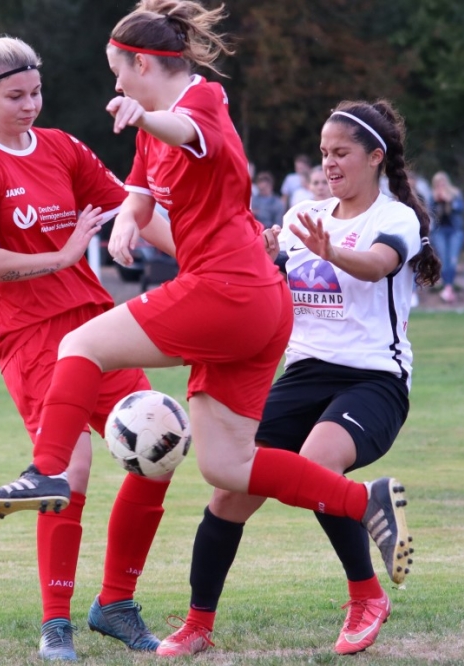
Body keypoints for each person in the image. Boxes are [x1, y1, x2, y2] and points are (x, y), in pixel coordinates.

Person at [0, 2, 414, 647]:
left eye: (120, 73)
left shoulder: (200, 102)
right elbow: (139, 194)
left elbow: (186, 132)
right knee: (227, 466)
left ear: (144, 65)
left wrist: (144, 116)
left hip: (227, 290)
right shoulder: (149, 127)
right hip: (254, 303)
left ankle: (45, 472)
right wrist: (127, 220)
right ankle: (362, 502)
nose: (116, 85)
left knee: (81, 344)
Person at [155, 99, 439, 657]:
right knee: (229, 493)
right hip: (303, 373)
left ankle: (367, 597)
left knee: (316, 466)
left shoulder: (394, 218)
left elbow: (378, 265)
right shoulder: (301, 216)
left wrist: (330, 250)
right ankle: (197, 625)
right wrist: (260, 257)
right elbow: (259, 283)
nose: (329, 163)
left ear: (375, 158)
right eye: (324, 153)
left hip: (374, 380)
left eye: (342, 153)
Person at [0, 34, 176, 661]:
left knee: (160, 447)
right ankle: (56, 624)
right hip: (30, 337)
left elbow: (134, 208)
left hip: (96, 329)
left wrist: (210, 251)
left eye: (36, 92)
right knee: (66, 475)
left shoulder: (63, 147)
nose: (30, 106)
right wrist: (64, 254)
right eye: (15, 96)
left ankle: (116, 604)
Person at [429, 171, 464, 304]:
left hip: (455, 231)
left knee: (453, 260)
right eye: (438, 184)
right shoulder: (432, 197)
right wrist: (437, 202)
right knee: (443, 260)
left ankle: (448, 288)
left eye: (443, 183)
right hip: (439, 232)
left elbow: (461, 209)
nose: (441, 186)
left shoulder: (455, 194)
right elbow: (430, 213)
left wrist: (450, 201)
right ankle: (448, 288)